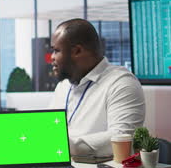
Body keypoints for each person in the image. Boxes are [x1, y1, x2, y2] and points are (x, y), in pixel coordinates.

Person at [49, 18, 145, 157]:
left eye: (56, 51)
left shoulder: (121, 83)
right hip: (63, 166)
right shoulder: (63, 86)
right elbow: (51, 130)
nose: (52, 57)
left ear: (77, 51)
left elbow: (122, 137)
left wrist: (65, 146)